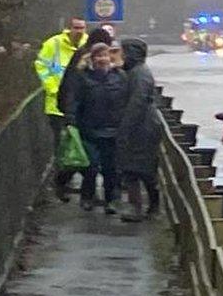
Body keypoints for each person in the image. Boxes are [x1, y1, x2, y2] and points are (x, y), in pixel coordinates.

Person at [34, 17, 87, 201]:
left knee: (78, 146)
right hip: (56, 106)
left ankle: (68, 180)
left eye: (82, 27)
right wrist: (53, 87)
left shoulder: (87, 45)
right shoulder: (53, 44)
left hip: (77, 108)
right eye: (75, 27)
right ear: (68, 28)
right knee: (62, 145)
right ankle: (62, 183)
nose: (79, 31)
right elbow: (41, 65)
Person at [69, 43, 127, 213]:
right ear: (92, 59)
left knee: (111, 168)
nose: (102, 59)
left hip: (113, 130)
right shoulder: (83, 77)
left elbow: (126, 101)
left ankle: (111, 200)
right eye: (98, 56)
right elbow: (74, 100)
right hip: (89, 129)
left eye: (105, 56)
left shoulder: (120, 77)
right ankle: (87, 197)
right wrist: (71, 120)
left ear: (110, 58)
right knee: (91, 166)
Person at [118, 38, 163, 222]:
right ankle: (148, 207)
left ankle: (140, 208)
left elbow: (137, 103)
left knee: (138, 170)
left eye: (123, 52)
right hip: (144, 126)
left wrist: (125, 129)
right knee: (139, 169)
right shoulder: (137, 72)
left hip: (142, 128)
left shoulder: (139, 75)